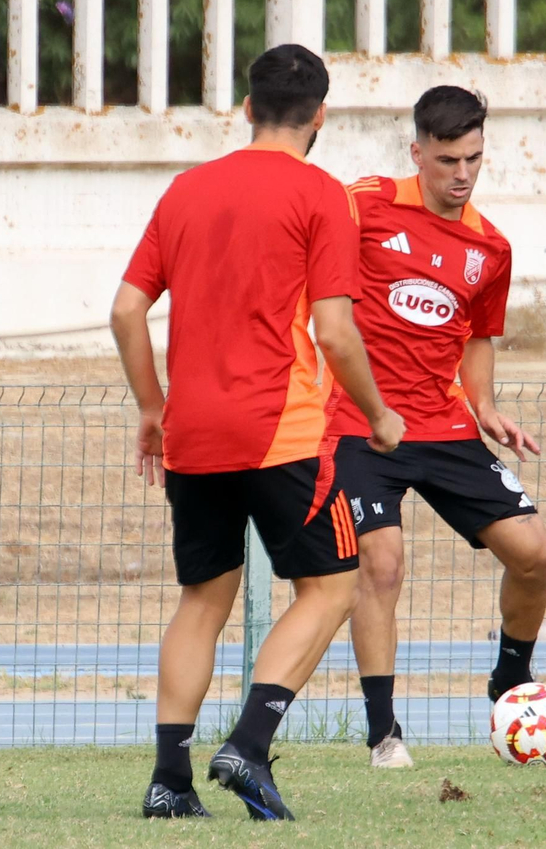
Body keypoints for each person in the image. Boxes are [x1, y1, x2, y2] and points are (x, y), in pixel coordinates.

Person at [111, 44, 404, 820]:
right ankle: (249, 742)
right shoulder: (322, 195)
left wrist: (152, 408)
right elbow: (334, 331)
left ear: (246, 108)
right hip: (282, 431)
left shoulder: (186, 190)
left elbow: (126, 310)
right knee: (332, 585)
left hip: (194, 431)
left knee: (202, 600)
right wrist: (379, 415)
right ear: (321, 116)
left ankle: (169, 781)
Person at [337, 86, 546, 768]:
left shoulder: (491, 247)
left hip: (442, 426)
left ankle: (511, 679)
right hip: (358, 424)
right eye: (448, 160)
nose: (462, 174)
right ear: (417, 152)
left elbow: (477, 336)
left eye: (474, 159)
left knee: (535, 554)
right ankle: (384, 734)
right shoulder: (364, 204)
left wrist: (486, 406)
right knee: (382, 565)